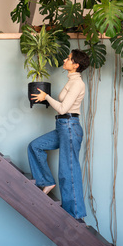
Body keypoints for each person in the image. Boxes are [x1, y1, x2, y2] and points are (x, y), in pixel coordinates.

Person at [28, 49, 90, 221]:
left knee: (68, 171)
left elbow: (63, 108)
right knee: (35, 146)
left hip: (70, 127)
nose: (65, 59)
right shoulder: (71, 81)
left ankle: (74, 215)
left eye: (69, 59)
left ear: (76, 65)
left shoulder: (77, 84)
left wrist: (46, 96)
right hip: (63, 126)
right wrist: (45, 97)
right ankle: (46, 180)